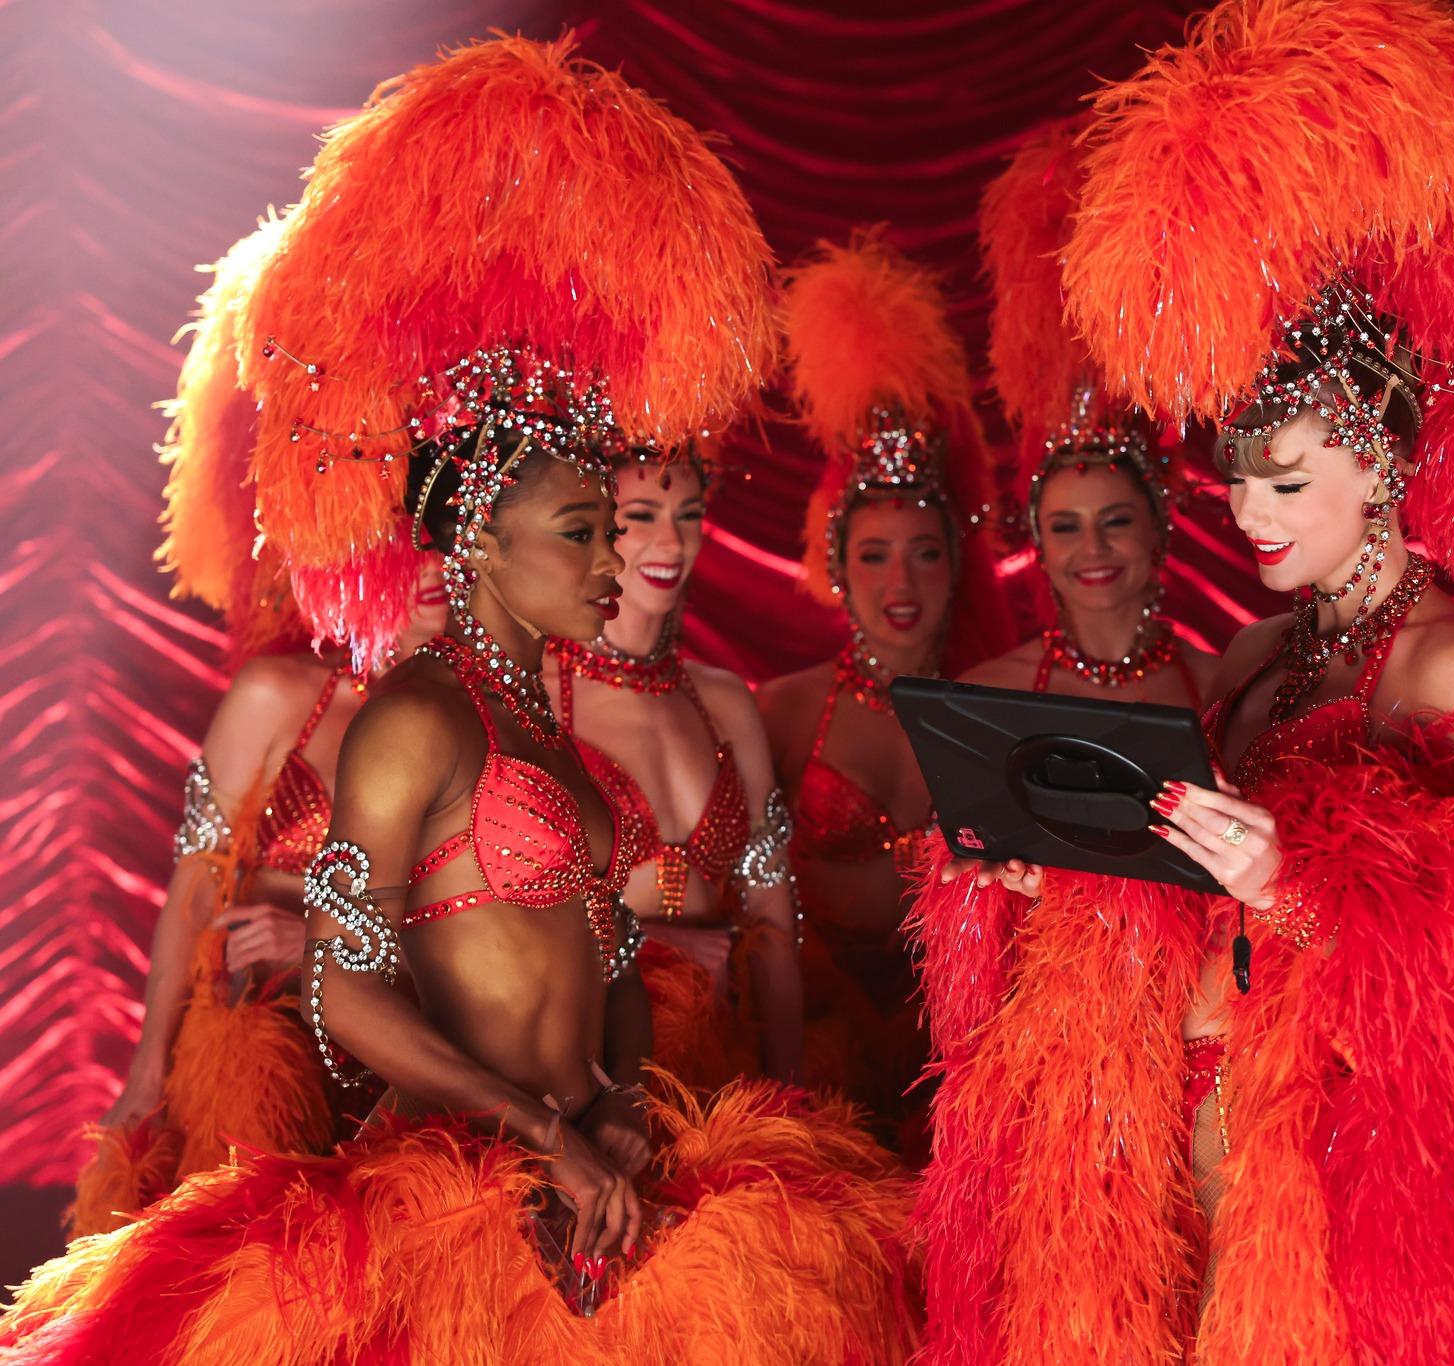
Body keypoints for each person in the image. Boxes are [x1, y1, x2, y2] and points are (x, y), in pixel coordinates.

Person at [2, 38, 913, 1363]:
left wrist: (610, 1110)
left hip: (584, 1168)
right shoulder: (415, 719)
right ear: (480, 542)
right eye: (582, 533)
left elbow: (599, 957)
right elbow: (345, 988)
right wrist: (540, 1132)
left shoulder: (545, 720)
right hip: (452, 1194)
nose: (614, 565)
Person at [909, 3, 1454, 1360]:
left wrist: (1293, 882)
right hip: (1187, 1102)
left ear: (1380, 470)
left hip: (1334, 1158)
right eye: (1240, 477)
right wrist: (1054, 864)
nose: (1248, 512)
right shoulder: (1258, 653)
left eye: (1286, 481)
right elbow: (1179, 856)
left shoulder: (1448, 663)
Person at [74, 218, 445, 1238]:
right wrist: (145, 1072)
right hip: (263, 1059)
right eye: (398, 541)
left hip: (414, 1060)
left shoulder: (483, 722)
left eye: (444, 542)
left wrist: (327, 939)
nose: (426, 571)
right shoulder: (281, 695)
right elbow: (195, 886)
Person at [757, 231, 1012, 1147]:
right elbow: (753, 908)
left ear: (956, 564)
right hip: (820, 1062)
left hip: (968, 1067)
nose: (899, 582)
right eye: (874, 555)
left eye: (923, 553)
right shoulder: (785, 712)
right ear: (836, 566)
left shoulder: (998, 712)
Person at [544, 447, 803, 1089]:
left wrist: (788, 1087)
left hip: (725, 1061)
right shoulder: (538, 695)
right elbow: (494, 922)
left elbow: (772, 912)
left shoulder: (724, 701)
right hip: (589, 1064)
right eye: (641, 516)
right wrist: (657, 942)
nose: (673, 542)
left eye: (688, 515)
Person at [963, 115, 1219, 704]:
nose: (1093, 548)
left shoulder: (1227, 690)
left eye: (1116, 520)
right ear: (1038, 541)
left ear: (1157, 525)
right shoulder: (990, 697)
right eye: (1065, 527)